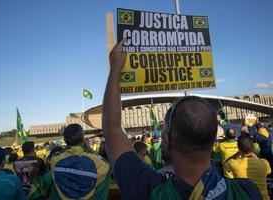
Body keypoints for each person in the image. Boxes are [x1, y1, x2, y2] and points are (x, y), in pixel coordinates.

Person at [102, 40, 261, 199]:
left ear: (168, 140)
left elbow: (112, 129)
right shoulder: (248, 191)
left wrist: (115, 69)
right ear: (214, 140)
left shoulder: (147, 190)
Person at [50, 124, 111, 200]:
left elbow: (58, 153)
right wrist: (90, 149)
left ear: (65, 140)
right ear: (83, 139)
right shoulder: (100, 163)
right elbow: (106, 164)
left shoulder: (55, 160)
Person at [225, 135, 271, 200]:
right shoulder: (264, 163)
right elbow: (269, 172)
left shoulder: (234, 164)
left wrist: (236, 154)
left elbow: (225, 164)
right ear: (252, 147)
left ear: (239, 148)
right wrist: (253, 155)